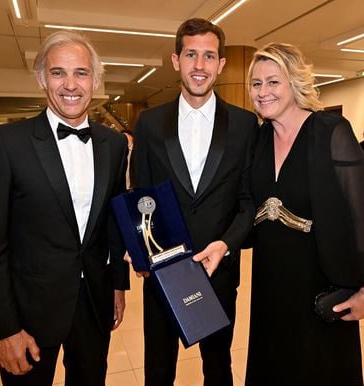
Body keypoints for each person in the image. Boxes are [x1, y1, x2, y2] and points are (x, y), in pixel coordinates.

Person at [0, 30, 130, 386]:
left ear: (95, 80)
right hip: (29, 312)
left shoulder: (113, 144)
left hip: (94, 301)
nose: (70, 84)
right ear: (42, 78)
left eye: (81, 73)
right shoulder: (7, 143)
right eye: (58, 72)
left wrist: (117, 287)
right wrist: (5, 328)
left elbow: (114, 223)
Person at [245, 42, 364, 386]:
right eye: (256, 83)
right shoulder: (260, 139)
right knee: (275, 362)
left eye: (273, 82)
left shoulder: (330, 131)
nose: (263, 92)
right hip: (270, 279)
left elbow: (361, 211)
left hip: (320, 278)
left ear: (295, 82)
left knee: (319, 367)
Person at [131, 18, 258, 386]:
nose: (199, 66)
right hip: (164, 271)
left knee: (218, 366)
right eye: (191, 55)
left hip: (219, 267)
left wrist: (226, 244)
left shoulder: (246, 124)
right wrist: (141, 250)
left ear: (221, 64)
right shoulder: (150, 124)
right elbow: (142, 195)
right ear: (176, 60)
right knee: (158, 368)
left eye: (209, 56)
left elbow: (249, 202)